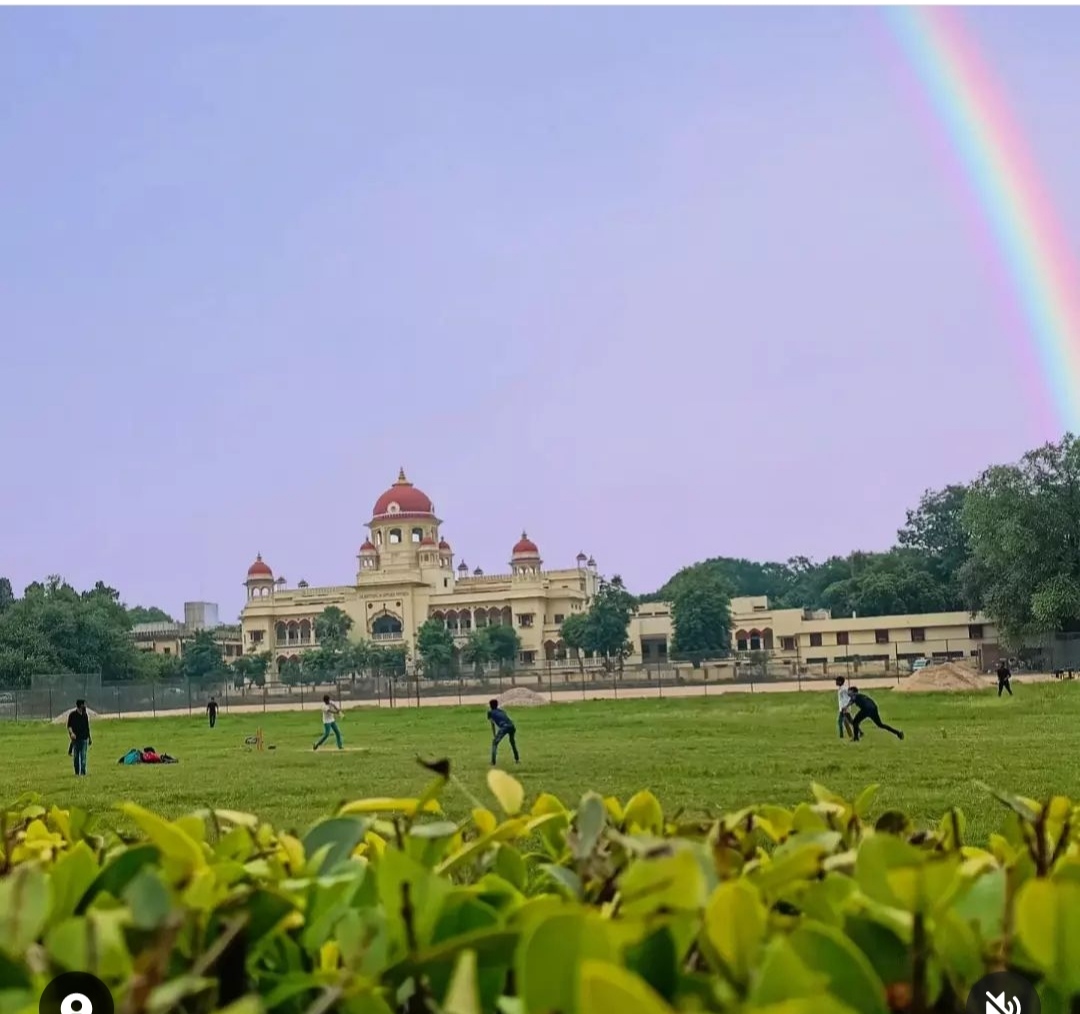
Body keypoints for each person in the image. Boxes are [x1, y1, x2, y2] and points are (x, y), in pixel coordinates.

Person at [487, 698, 520, 766]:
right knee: (512, 743)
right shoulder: (502, 711)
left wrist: (494, 735)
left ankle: (493, 762)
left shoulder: (490, 712)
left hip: (504, 727)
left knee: (494, 743)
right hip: (511, 726)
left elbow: (492, 724)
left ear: (490, 706)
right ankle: (517, 759)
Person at [66, 699, 92, 776]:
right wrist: (72, 733)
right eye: (83, 705)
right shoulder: (72, 715)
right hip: (76, 739)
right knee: (76, 758)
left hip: (84, 739)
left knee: (83, 757)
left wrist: (89, 738)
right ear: (80, 706)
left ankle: (83, 773)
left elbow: (87, 727)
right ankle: (77, 773)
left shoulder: (85, 715)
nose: (85, 706)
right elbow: (69, 726)